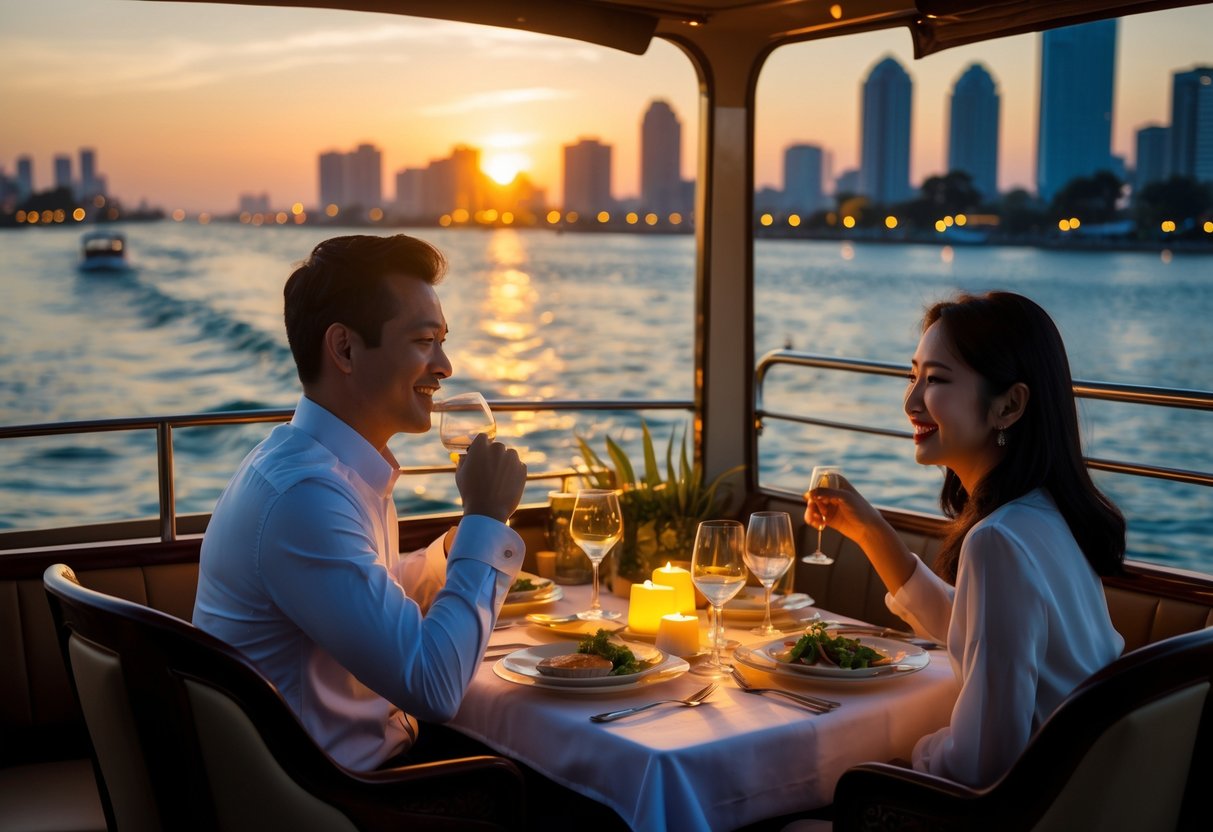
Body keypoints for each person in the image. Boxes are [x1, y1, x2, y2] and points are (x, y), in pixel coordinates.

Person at [194, 234, 528, 771]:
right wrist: (486, 520)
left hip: (336, 773)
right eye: (424, 341)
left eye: (443, 341)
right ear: (345, 348)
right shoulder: (306, 497)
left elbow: (370, 588)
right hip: (330, 798)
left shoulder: (323, 466)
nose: (445, 366)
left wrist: (459, 546)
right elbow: (433, 687)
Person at [806, 291, 1124, 788]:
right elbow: (972, 626)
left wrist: (908, 757)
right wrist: (869, 531)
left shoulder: (998, 541)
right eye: (913, 376)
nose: (910, 401)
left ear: (1009, 406)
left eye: (935, 380)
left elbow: (983, 764)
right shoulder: (1042, 514)